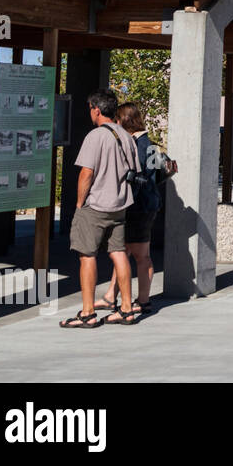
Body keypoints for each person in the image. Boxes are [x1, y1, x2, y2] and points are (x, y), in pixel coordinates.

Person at [59, 88, 140, 328]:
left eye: (90, 109)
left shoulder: (95, 136)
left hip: (95, 205)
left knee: (87, 256)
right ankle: (126, 309)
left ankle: (87, 313)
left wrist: (78, 203)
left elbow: (86, 172)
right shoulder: (126, 136)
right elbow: (133, 171)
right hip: (119, 205)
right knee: (118, 253)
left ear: (96, 110)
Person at [97, 103, 177, 318]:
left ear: (123, 120)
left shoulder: (137, 145)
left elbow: (135, 177)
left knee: (138, 256)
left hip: (137, 207)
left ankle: (142, 300)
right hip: (147, 205)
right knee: (123, 252)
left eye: (117, 119)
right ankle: (111, 296)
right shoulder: (149, 143)